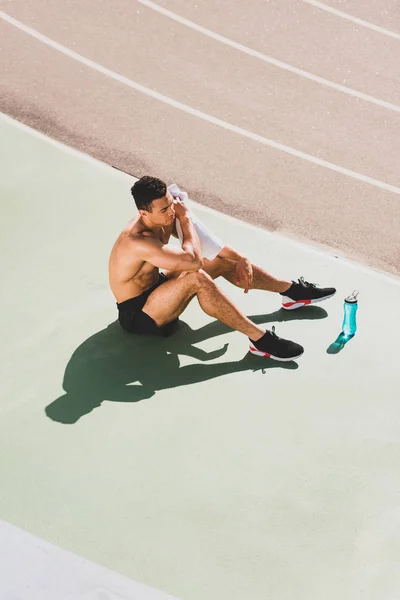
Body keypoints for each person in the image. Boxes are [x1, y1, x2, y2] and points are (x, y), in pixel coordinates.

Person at [109, 176, 336, 361]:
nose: (172, 211)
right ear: (143, 213)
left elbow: (207, 244)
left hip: (158, 289)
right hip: (138, 315)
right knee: (197, 277)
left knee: (221, 262)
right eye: (164, 209)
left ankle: (291, 292)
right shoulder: (138, 241)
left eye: (171, 204)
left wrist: (240, 258)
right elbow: (194, 261)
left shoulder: (164, 216)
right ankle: (260, 340)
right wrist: (185, 220)